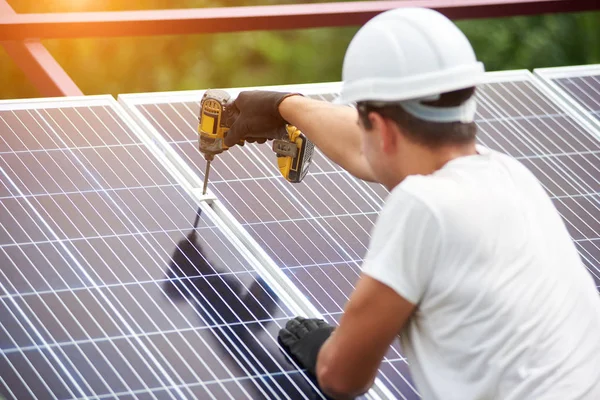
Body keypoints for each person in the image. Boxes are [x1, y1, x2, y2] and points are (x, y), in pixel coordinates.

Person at [222, 7, 600, 400]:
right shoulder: (507, 176)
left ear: (382, 130)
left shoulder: (422, 207)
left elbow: (341, 377)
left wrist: (318, 345)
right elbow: (370, 148)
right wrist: (286, 104)